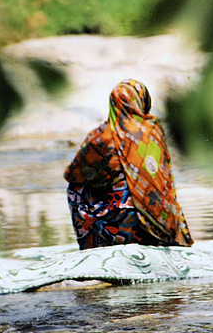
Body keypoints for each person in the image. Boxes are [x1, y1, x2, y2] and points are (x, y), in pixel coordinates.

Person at [64, 79, 194, 250]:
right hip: (158, 221)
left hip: (118, 223)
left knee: (76, 189)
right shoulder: (153, 131)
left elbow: (73, 174)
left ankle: (96, 243)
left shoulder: (101, 136)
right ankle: (169, 235)